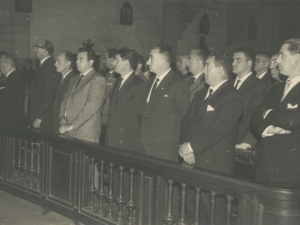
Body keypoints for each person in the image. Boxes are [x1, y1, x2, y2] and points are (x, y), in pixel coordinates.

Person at [180, 52, 242, 225]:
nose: (204, 69)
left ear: (221, 69)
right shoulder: (201, 94)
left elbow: (217, 129)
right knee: (194, 210)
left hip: (214, 165)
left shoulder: (231, 96)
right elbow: (186, 121)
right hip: (192, 160)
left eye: (208, 66)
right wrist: (184, 145)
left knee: (215, 214)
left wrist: (191, 146)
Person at [251, 38, 300, 185]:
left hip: (290, 169)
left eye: (282, 55)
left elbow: (293, 120)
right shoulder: (275, 88)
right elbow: (254, 118)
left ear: (297, 58)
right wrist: (268, 128)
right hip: (264, 164)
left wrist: (267, 113)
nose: (278, 61)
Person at [140, 45, 190, 162]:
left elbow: (186, 117)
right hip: (145, 144)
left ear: (163, 61)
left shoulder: (178, 84)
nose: (148, 62)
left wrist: (182, 143)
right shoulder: (151, 81)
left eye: (151, 58)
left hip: (164, 148)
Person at [59, 47, 106, 143]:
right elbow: (65, 101)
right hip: (68, 130)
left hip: (85, 133)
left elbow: (91, 106)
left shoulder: (97, 79)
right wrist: (63, 119)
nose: (77, 62)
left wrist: (72, 125)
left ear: (91, 62)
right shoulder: (74, 79)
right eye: (77, 59)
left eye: (81, 59)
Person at [106, 48, 146, 152]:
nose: (114, 62)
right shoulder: (118, 82)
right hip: (112, 138)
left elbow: (141, 117)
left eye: (117, 60)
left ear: (126, 63)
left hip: (126, 142)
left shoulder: (138, 84)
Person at [231, 47, 267, 150]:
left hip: (241, 142)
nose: (233, 63)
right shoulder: (228, 84)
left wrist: (247, 142)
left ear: (250, 63)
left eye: (238, 60)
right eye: (233, 60)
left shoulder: (259, 86)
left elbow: (256, 115)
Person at [29, 40, 61, 132]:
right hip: (40, 114)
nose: (35, 50)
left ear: (45, 50)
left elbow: (48, 94)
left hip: (43, 117)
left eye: (37, 47)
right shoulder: (43, 65)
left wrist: (39, 117)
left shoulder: (49, 66)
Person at [100, 49, 120, 144]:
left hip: (107, 118)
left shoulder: (117, 77)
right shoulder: (108, 75)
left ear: (112, 59)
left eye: (105, 58)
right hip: (102, 117)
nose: (103, 61)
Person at [52, 51, 76, 134]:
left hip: (65, 124)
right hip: (56, 123)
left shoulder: (73, 79)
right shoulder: (60, 79)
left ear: (68, 63)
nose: (55, 64)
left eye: (59, 61)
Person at [0, 54, 26, 128]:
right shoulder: (9, 78)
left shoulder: (15, 79)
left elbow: (9, 101)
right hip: (7, 119)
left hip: (11, 121)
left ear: (7, 65)